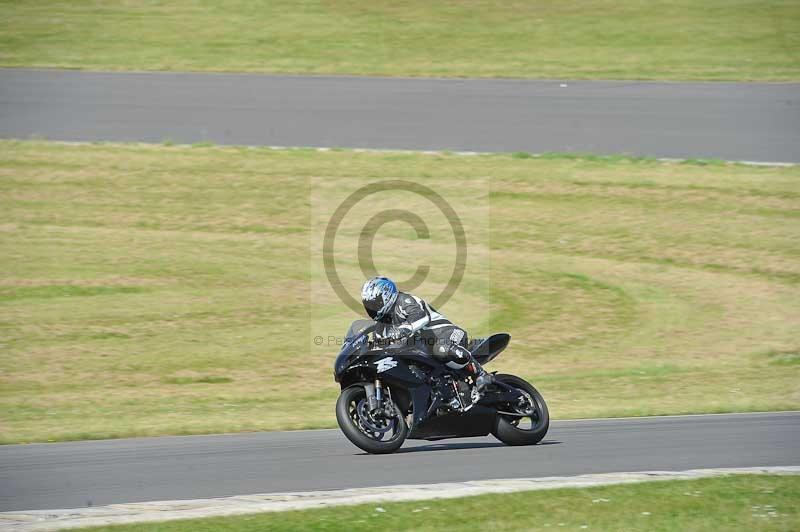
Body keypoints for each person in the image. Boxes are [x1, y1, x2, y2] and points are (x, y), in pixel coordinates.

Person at [360, 276, 493, 400]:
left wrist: (406, 328)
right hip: (423, 353)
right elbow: (379, 347)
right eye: (369, 305)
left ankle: (481, 375)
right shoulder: (381, 327)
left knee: (441, 349)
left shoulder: (404, 301)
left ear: (386, 295)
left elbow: (421, 316)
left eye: (375, 303)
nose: (372, 308)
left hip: (447, 334)